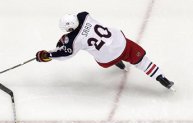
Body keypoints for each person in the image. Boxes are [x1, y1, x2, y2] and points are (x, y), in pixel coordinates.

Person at [35, 11, 175, 91]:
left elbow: (66, 53)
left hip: (106, 60)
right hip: (121, 44)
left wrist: (49, 54)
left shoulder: (73, 41)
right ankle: (162, 78)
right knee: (141, 61)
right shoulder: (85, 15)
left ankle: (118, 62)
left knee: (101, 52)